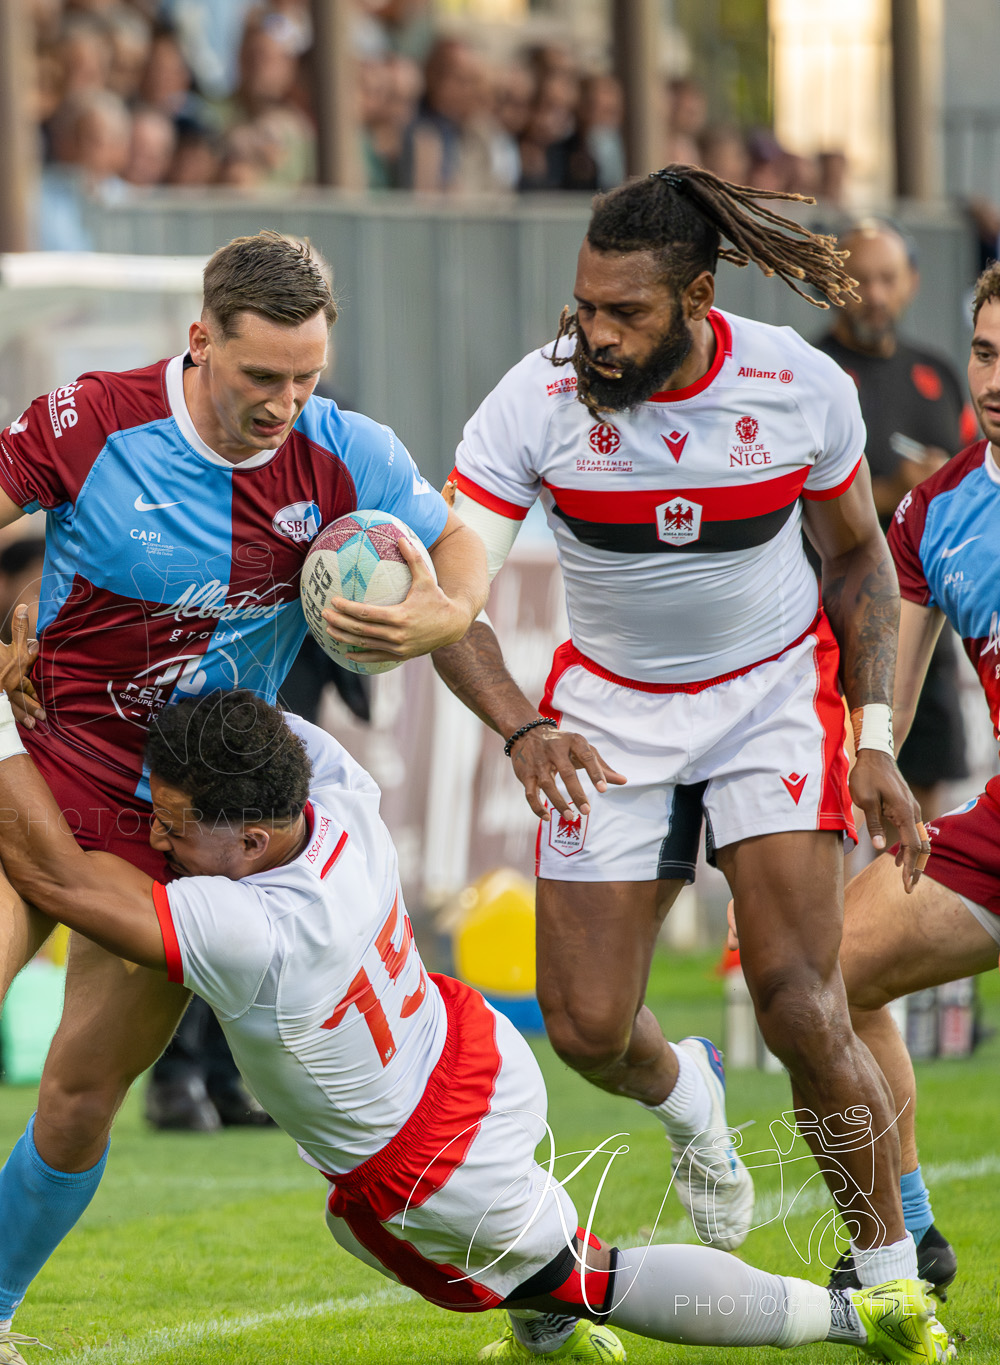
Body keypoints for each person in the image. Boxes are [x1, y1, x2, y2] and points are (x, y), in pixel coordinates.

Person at [0, 230, 486, 1365]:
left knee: (79, 1098)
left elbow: (459, 546)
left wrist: (445, 614)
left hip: (176, 830)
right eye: (260, 379)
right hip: (34, 764)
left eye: (305, 379)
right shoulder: (95, 420)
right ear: (200, 342)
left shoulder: (347, 454)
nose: (284, 404)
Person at [0, 605, 955, 1365]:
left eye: (170, 823)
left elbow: (56, 876)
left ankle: (849, 1319)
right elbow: (253, 735)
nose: (152, 833)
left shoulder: (248, 929)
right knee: (353, 1224)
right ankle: (546, 1316)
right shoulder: (326, 789)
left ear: (250, 839)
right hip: (462, 1050)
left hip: (427, 1155)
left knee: (590, 1275)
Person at [429, 167, 926, 1282]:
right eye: (582, 308)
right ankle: (691, 1097)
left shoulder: (798, 384)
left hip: (770, 700)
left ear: (697, 297)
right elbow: (450, 594)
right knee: (585, 1029)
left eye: (624, 314)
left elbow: (855, 555)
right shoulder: (532, 400)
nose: (593, 337)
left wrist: (874, 733)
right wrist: (519, 728)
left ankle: (890, 1280)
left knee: (801, 1004)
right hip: (606, 711)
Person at [834, 260, 1000, 1301]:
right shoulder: (938, 512)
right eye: (986, 354)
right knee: (815, 975)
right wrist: (872, 752)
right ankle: (907, 1244)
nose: (996, 380)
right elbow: (879, 695)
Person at [814, 220, 977, 818]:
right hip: (829, 615)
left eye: (887, 279)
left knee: (925, 785)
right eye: (859, 280)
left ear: (911, 283)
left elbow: (975, 478)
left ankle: (915, 897)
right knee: (829, 791)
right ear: (835, 285)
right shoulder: (810, 372)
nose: (875, 294)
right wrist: (894, 492)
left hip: (921, 617)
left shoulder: (938, 374)